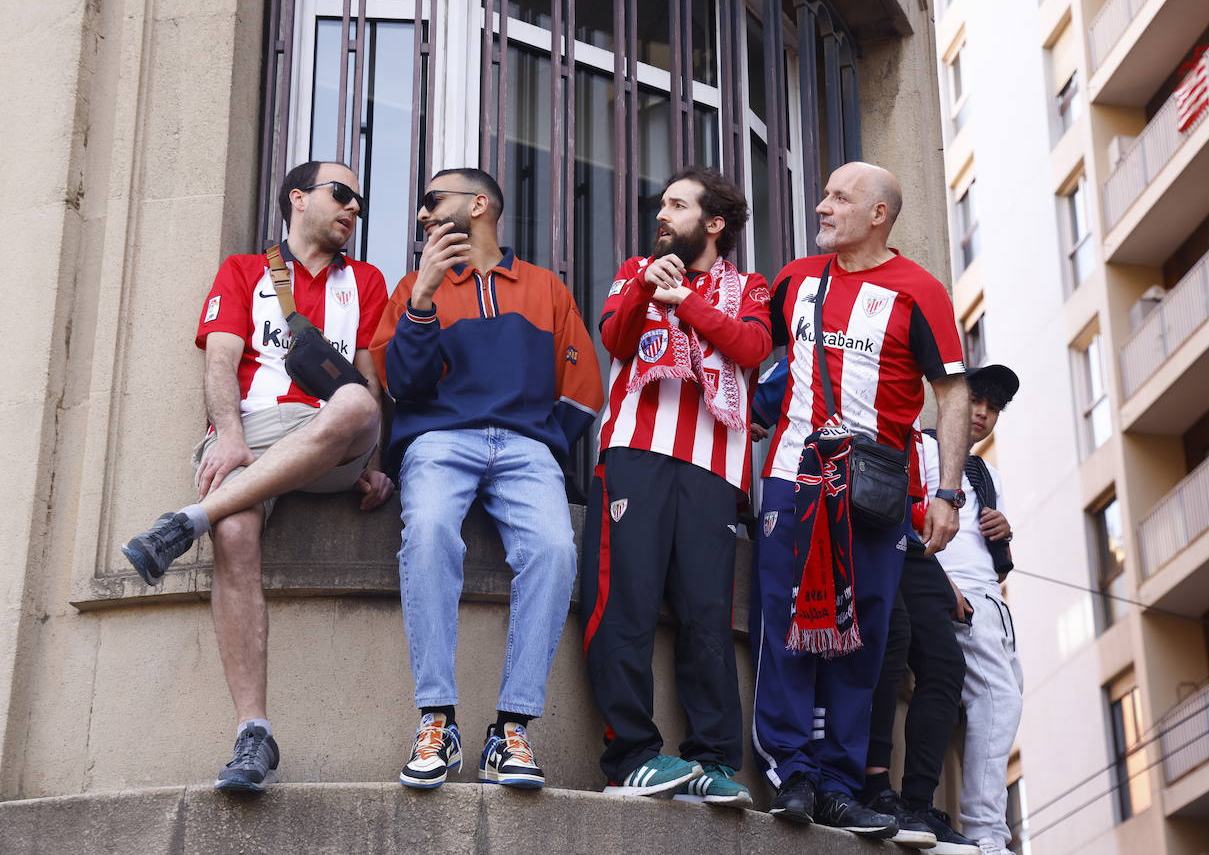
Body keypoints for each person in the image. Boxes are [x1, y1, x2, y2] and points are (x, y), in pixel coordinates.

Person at [118, 161, 393, 791]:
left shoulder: (369, 280)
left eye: (360, 200)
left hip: (335, 436)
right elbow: (220, 359)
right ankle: (254, 735)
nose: (354, 208)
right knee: (236, 535)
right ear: (298, 199)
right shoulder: (244, 271)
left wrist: (375, 465)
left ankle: (185, 522)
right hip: (256, 429)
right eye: (342, 193)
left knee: (356, 402)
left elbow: (372, 380)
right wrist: (231, 436)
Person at [752, 161, 970, 839]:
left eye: (839, 198)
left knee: (862, 640)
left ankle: (840, 786)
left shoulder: (920, 291)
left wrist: (947, 493)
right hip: (792, 480)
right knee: (788, 626)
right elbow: (751, 352)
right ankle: (792, 772)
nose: (823, 206)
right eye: (824, 195)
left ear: (878, 214)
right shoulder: (792, 280)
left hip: (874, 494)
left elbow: (954, 393)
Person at [370, 168, 604, 791]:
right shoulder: (412, 286)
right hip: (440, 439)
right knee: (427, 533)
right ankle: (437, 719)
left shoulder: (545, 287)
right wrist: (421, 299)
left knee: (555, 550)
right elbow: (403, 388)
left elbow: (582, 392)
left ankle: (511, 729)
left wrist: (541, 436)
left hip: (527, 444)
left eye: (432, 202)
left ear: (478, 206)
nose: (421, 216)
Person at [581, 167, 770, 804]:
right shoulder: (635, 269)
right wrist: (645, 292)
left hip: (716, 469)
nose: (661, 214)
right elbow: (615, 338)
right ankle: (630, 757)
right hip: (635, 453)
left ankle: (713, 762)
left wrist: (686, 300)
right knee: (625, 605)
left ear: (714, 224)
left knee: (708, 620)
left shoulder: (749, 287)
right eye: (661, 203)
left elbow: (749, 347)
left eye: (677, 205)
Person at [867, 365, 1021, 854]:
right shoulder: (927, 449)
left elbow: (990, 560)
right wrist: (940, 580)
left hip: (989, 602)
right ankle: (987, 832)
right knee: (997, 703)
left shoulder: (983, 471)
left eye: (993, 407)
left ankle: (957, 817)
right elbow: (911, 514)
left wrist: (1001, 534)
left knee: (996, 700)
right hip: (949, 591)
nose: (982, 414)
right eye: (976, 400)